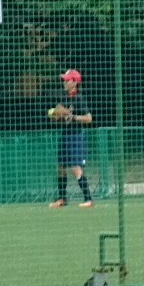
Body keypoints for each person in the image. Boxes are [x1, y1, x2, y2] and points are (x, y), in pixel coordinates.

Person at [48, 68, 95, 208]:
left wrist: (73, 117)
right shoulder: (63, 98)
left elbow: (88, 118)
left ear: (74, 82)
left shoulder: (79, 98)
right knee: (61, 166)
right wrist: (55, 115)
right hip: (65, 134)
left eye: (67, 80)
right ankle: (62, 198)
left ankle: (88, 199)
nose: (64, 82)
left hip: (75, 135)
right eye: (64, 80)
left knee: (75, 167)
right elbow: (55, 114)